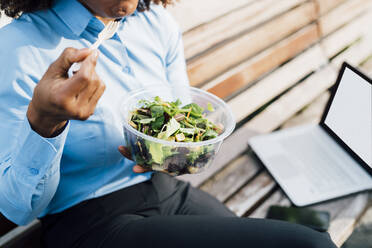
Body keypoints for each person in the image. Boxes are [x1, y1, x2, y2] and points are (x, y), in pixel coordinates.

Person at [0, 0, 338, 247]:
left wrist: (175, 152)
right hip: (93, 223)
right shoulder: (17, 49)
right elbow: (18, 208)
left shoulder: (155, 21)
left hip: (168, 191)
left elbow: (180, 122)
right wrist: (46, 122)